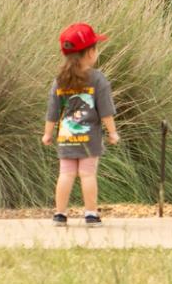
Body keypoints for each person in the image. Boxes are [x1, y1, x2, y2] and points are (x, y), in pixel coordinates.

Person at [42, 22, 120, 224]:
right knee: (87, 174)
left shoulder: (59, 80)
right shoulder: (98, 79)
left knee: (66, 174)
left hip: (66, 137)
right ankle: (91, 214)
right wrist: (112, 132)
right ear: (90, 53)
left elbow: (52, 110)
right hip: (89, 138)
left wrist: (48, 133)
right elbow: (106, 110)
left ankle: (60, 214)